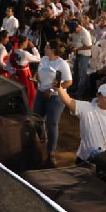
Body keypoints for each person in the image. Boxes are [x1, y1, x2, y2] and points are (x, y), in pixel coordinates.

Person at [57, 82, 106, 163]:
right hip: (85, 160)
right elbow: (68, 101)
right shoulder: (87, 108)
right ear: (98, 95)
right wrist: (59, 87)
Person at [34, 39, 73, 167]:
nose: (45, 48)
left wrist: (52, 90)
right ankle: (41, 138)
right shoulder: (43, 59)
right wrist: (36, 77)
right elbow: (39, 71)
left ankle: (51, 153)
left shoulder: (62, 64)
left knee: (52, 123)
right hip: (41, 92)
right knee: (37, 118)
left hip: (56, 97)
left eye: (47, 47)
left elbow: (68, 82)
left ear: (52, 50)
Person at [9, 35, 40, 107]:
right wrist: (33, 48)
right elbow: (38, 59)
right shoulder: (25, 54)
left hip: (16, 74)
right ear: (22, 43)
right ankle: (28, 106)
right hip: (25, 75)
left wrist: (13, 73)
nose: (27, 43)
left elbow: (8, 65)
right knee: (27, 91)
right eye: (26, 42)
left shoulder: (12, 51)